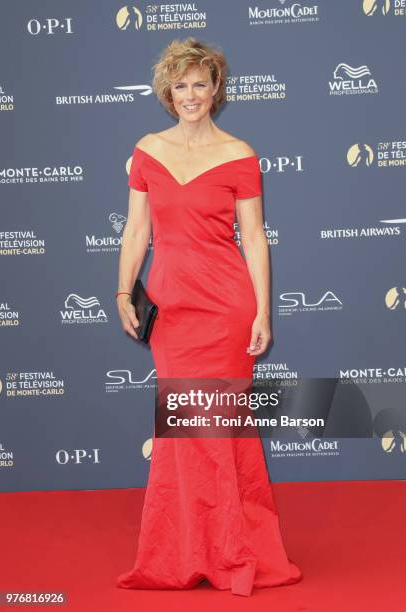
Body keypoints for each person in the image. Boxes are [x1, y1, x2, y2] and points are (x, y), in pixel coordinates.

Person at [115, 37, 302, 597]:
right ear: (167, 92)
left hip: (225, 306)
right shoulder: (147, 150)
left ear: (216, 88)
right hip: (172, 306)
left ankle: (232, 551)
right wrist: (123, 292)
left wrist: (263, 310)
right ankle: (183, 551)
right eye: (181, 85)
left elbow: (254, 237)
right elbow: (137, 230)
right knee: (182, 431)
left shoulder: (240, 154)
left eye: (201, 83)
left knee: (220, 427)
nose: (191, 95)